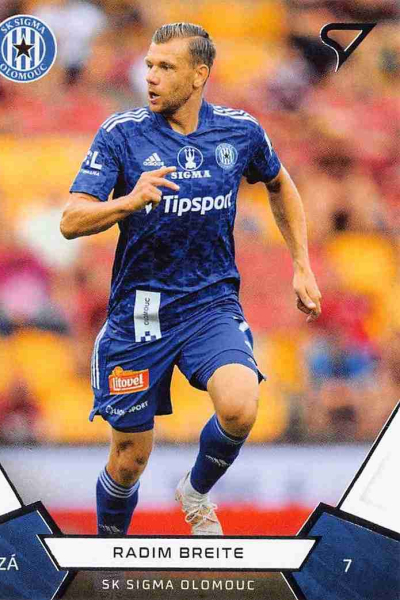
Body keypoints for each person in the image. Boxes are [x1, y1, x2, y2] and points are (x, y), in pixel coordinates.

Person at [60, 22, 321, 536]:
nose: (151, 77)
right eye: (149, 65)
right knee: (130, 459)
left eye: (166, 67)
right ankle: (108, 553)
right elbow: (70, 221)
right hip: (140, 314)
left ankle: (196, 491)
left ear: (200, 75)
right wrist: (128, 201)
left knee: (241, 406)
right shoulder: (121, 134)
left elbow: (279, 183)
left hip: (210, 305)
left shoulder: (239, 132)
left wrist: (302, 264)